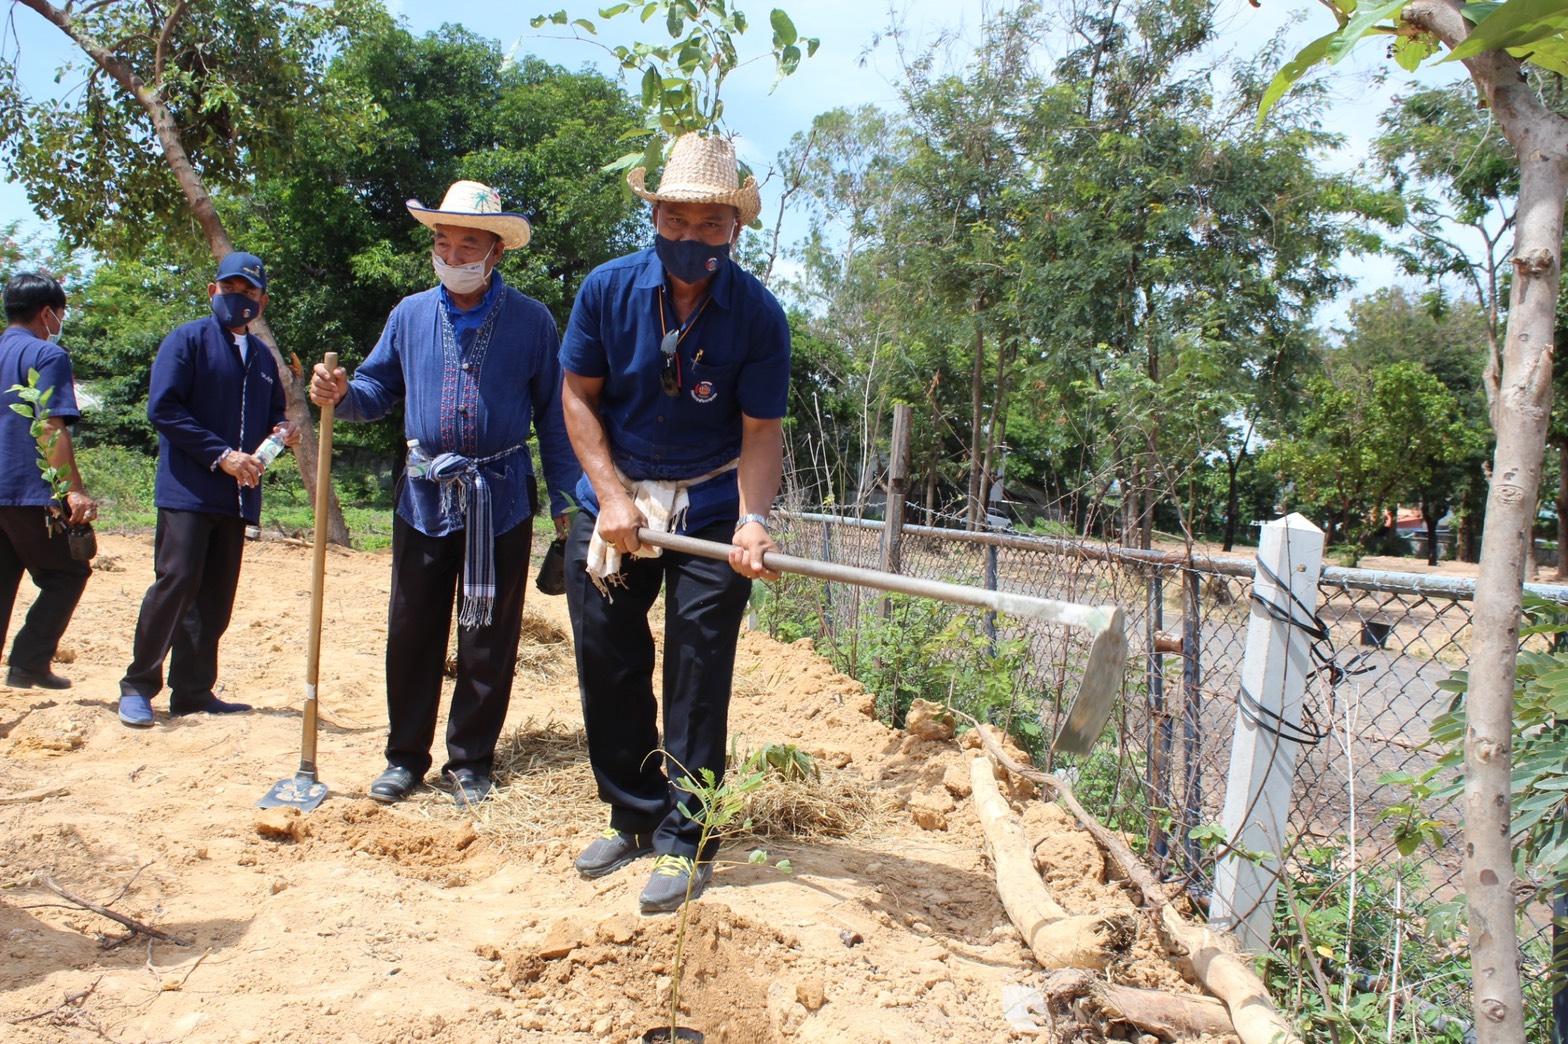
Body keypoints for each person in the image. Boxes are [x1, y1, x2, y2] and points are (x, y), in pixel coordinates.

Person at [559, 133, 791, 913]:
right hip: (615, 498)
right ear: (653, 213)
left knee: (697, 669)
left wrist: (754, 521)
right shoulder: (606, 291)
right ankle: (631, 813)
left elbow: (761, 432)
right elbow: (578, 397)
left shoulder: (758, 316)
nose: (690, 238)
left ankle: (687, 837)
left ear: (735, 229)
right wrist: (611, 495)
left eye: (710, 225)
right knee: (607, 655)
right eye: (676, 220)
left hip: (713, 504)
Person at [309, 180, 579, 809]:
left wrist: (569, 503)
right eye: (442, 242)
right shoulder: (408, 315)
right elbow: (376, 389)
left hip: (502, 497)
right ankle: (404, 756)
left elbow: (556, 417)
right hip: (425, 495)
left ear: (495, 253)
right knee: (412, 627)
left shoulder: (533, 322)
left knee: (487, 630)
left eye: (468, 245)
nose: (452, 256)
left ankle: (470, 760)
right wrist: (340, 394)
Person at [117, 252, 298, 728]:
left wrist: (281, 431)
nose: (240, 298)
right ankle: (139, 686)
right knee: (176, 583)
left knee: (215, 596)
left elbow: (273, 413)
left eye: (250, 291)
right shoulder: (188, 340)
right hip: (189, 490)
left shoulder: (261, 357)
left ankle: (194, 691)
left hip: (237, 495)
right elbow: (165, 409)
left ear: (262, 300)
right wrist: (221, 455)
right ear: (213, 291)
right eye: (231, 288)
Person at [0, 273, 97, 690]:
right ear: (46, 313)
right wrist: (71, 488)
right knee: (67, 574)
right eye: (60, 313)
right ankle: (28, 662)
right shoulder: (46, 355)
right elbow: (51, 427)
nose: (60, 321)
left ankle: (27, 665)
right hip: (27, 488)